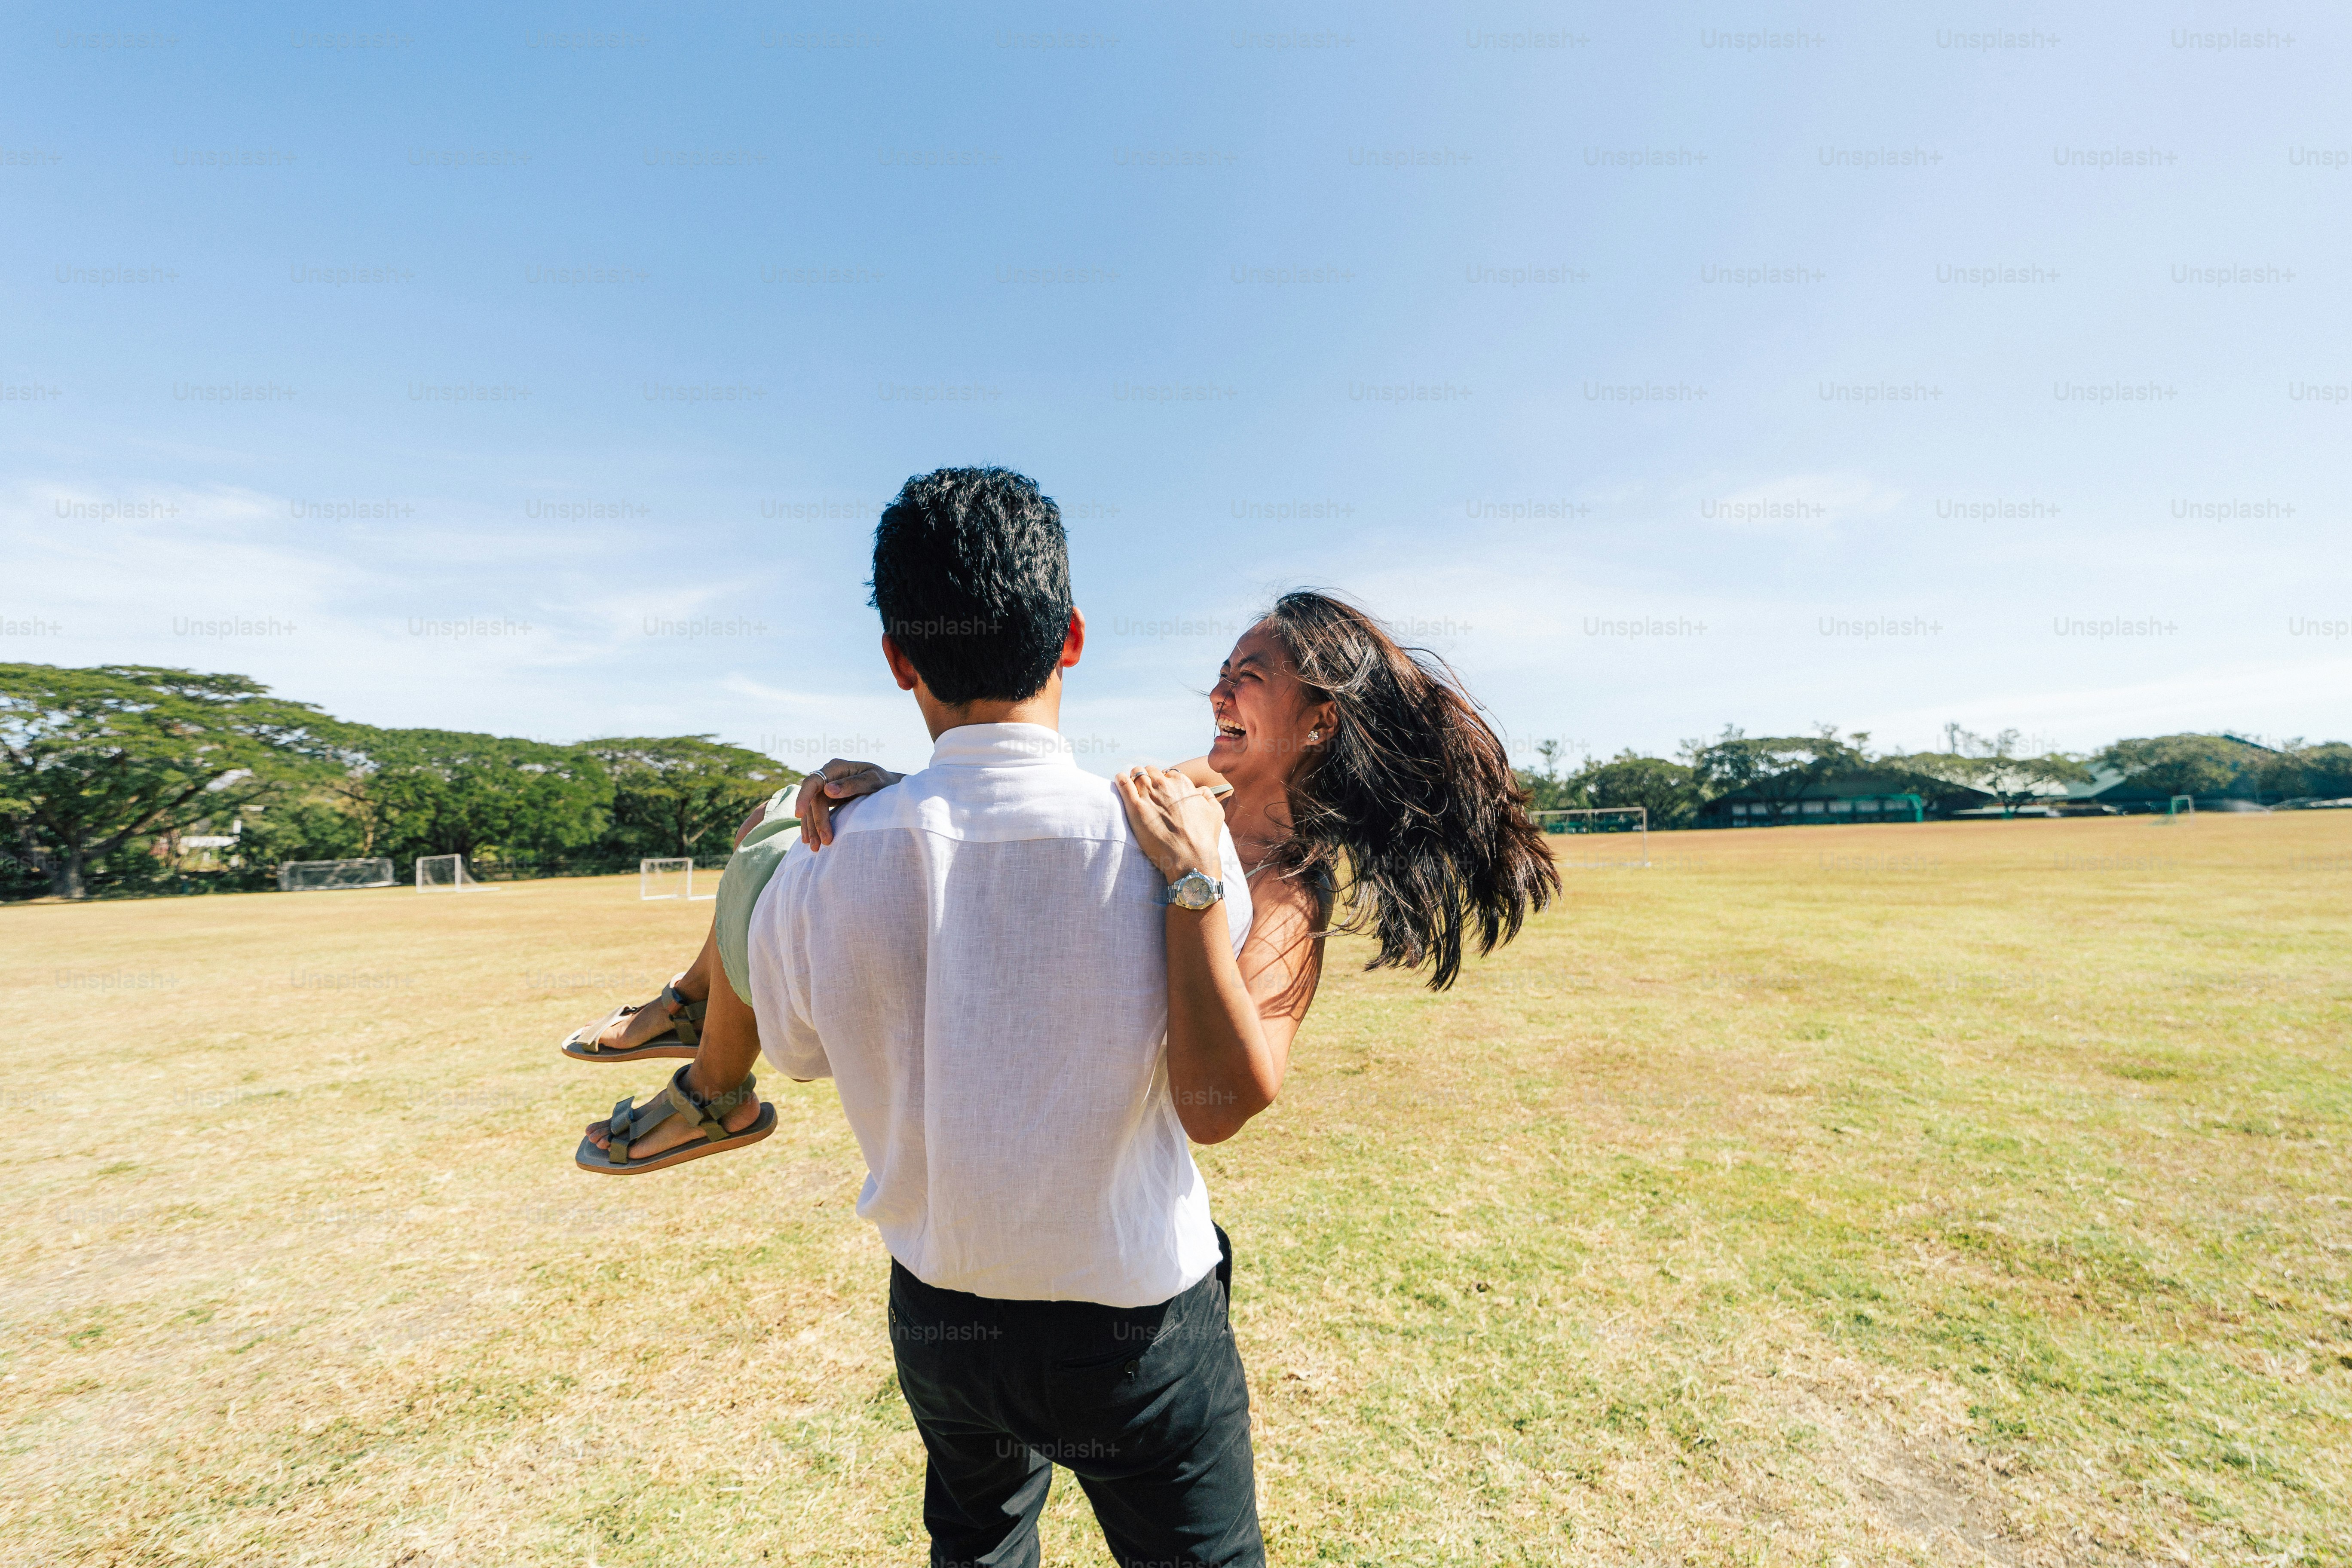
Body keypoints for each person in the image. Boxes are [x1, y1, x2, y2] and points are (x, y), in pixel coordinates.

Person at [566, 468, 1558, 1566]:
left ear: (1321, 722)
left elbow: (1219, 1102)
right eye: (1221, 674)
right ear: (1070, 636)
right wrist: (898, 789)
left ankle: (700, 1074)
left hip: (964, 1308)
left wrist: (1188, 889)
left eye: (1250, 678)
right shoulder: (1189, 803)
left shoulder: (1281, 880)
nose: (1220, 693)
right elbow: (999, 800)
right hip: (1120, 1321)